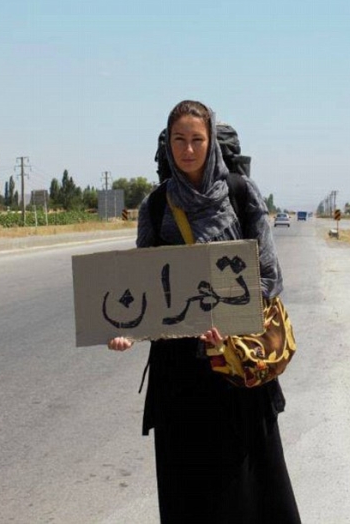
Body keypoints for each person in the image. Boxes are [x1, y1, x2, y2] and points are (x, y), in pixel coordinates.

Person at [108, 100, 301, 523]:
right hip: (178, 375)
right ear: (168, 144)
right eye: (179, 140)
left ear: (211, 141)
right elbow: (144, 289)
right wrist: (128, 331)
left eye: (197, 139)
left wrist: (228, 322)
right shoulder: (156, 206)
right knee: (188, 492)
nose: (188, 149)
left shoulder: (239, 193)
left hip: (234, 365)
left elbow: (269, 276)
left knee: (248, 489)